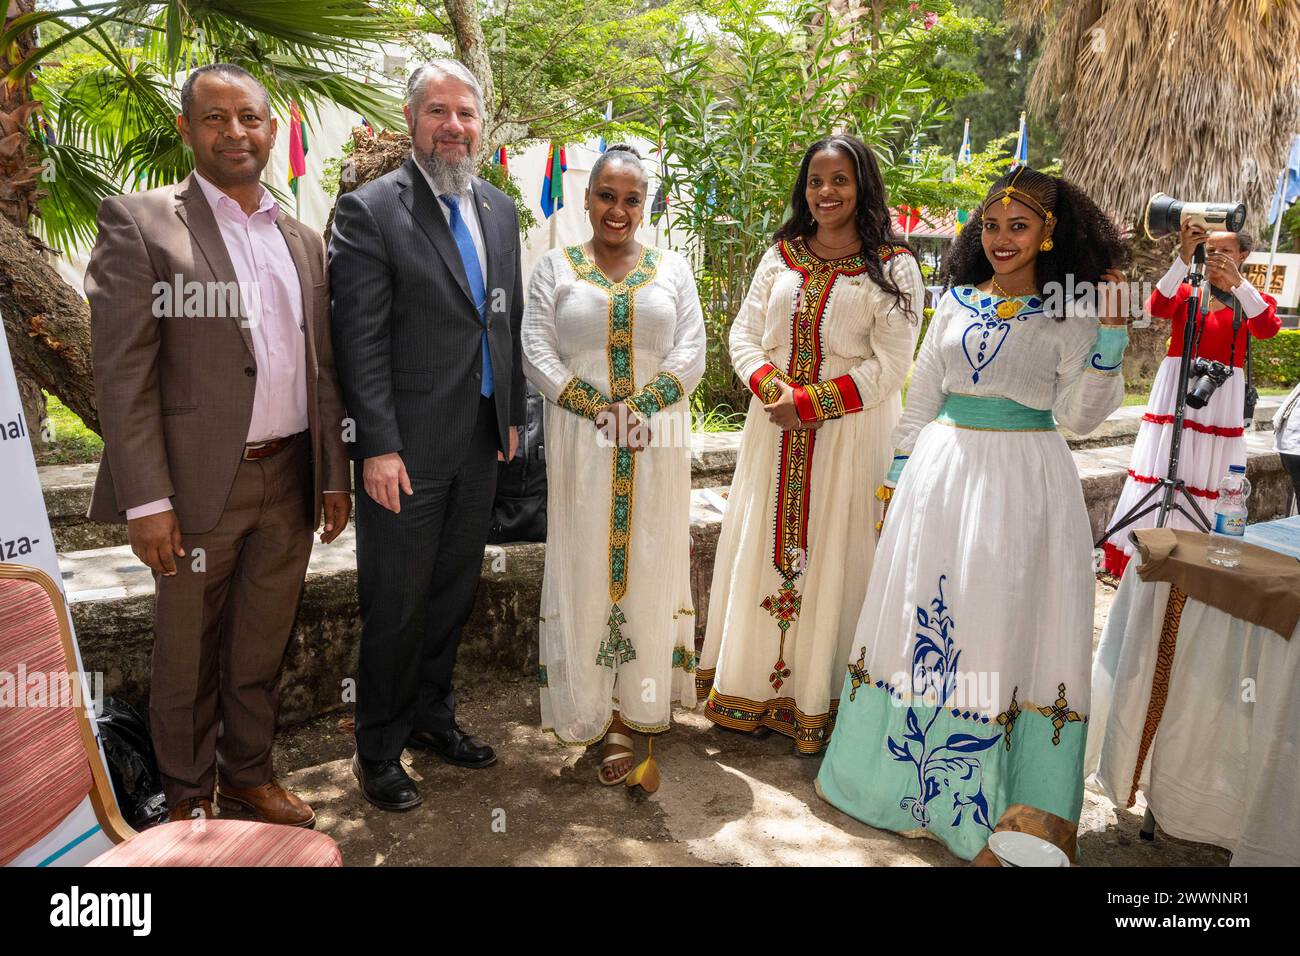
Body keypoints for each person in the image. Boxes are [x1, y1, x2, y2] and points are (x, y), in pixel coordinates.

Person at [816, 166, 1131, 861]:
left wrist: (1111, 338)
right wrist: (895, 484)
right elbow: (921, 393)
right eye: (991, 225)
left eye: (1018, 226)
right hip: (940, 477)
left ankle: (989, 801)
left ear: (1050, 235)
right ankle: (901, 785)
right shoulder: (956, 300)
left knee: (999, 623)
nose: (1001, 239)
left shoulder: (1072, 311)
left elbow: (1078, 418)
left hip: (1025, 484)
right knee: (926, 617)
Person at [86, 63, 351, 825]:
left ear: (273, 128)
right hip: (199, 486)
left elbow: (320, 369)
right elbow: (123, 375)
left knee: (260, 646)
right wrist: (147, 499)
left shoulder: (300, 237)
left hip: (289, 477)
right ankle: (185, 797)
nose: (235, 132)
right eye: (215, 118)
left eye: (250, 118)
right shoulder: (140, 223)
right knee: (187, 654)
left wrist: (332, 472)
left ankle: (247, 775)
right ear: (187, 129)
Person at [329, 60, 524, 812]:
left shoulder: (501, 211)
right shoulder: (372, 211)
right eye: (437, 111)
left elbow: (496, 322)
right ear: (410, 121)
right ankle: (377, 746)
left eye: (466, 113)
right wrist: (374, 445)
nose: (453, 126)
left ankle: (432, 718)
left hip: (478, 441)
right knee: (397, 601)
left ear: (481, 125)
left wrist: (509, 414)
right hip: (403, 453)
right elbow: (360, 341)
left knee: (452, 594)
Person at [696, 135, 924, 755]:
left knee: (838, 554)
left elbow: (891, 365)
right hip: (772, 431)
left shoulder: (894, 265)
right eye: (816, 181)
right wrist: (775, 389)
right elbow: (743, 334)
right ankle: (753, 688)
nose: (827, 193)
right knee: (763, 549)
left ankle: (820, 700)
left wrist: (813, 403)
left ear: (862, 186)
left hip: (851, 436)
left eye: (841, 180)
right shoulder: (781, 255)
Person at [522, 144, 706, 782]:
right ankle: (589, 708)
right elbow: (536, 351)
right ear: (587, 198)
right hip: (580, 443)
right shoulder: (555, 270)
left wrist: (641, 407)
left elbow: (692, 352)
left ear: (644, 204)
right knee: (585, 559)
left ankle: (636, 712)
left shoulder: (672, 271)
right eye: (607, 195)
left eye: (632, 198)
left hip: (657, 444)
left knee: (649, 561)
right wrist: (597, 407)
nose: (618, 209)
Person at [1100, 223, 1279, 577]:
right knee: (1164, 458)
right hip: (1176, 386)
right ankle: (1144, 546)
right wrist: (1183, 257)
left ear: (1243, 255)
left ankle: (1196, 552)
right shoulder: (1189, 290)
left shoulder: (1251, 297)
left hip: (1221, 392)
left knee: (1211, 469)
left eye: (1226, 252)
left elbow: (1267, 328)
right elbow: (1157, 307)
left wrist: (1239, 284)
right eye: (1210, 251)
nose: (1217, 259)